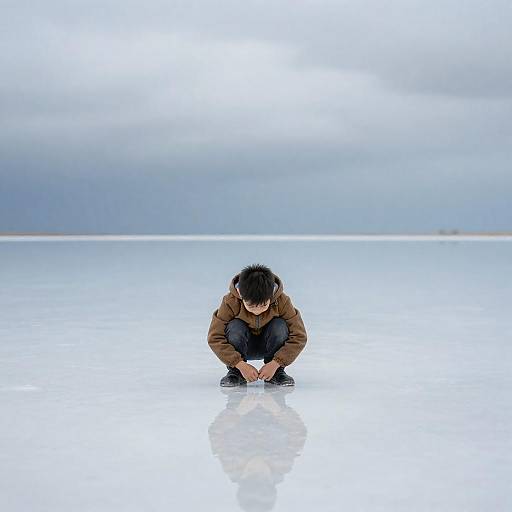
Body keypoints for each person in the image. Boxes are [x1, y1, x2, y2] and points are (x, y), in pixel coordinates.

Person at [207, 263, 308, 387]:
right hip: (242, 346)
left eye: (263, 305)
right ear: (240, 293)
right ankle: (236, 373)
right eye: (251, 306)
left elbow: (299, 336)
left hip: (270, 345)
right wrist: (239, 364)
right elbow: (215, 337)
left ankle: (276, 373)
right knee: (235, 326)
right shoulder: (229, 302)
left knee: (280, 325)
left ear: (271, 294)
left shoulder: (282, 301)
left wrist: (276, 363)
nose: (257, 311)